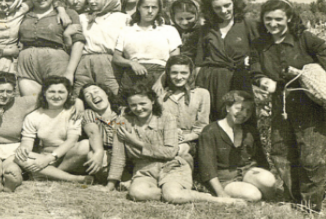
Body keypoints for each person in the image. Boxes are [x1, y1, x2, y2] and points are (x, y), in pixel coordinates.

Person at [105, 82, 240, 204]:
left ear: (152, 101)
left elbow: (170, 152)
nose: (138, 108)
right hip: (144, 169)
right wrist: (110, 185)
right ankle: (169, 193)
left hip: (172, 165)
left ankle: (214, 199)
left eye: (142, 103)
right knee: (137, 193)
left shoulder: (167, 118)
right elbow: (118, 156)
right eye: (133, 105)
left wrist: (136, 142)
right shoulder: (122, 121)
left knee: (174, 196)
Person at [251, 0, 326, 212]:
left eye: (278, 19)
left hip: (309, 106)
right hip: (280, 106)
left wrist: (309, 72)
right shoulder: (260, 44)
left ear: (289, 18)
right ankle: (294, 200)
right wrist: (263, 80)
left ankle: (311, 206)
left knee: (311, 157)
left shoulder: (306, 39)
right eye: (268, 19)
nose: (272, 24)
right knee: (281, 152)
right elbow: (255, 70)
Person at [195, 0, 259, 122]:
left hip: (239, 80)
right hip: (211, 82)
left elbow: (261, 50)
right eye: (217, 8)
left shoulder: (248, 24)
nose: (223, 11)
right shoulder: (206, 29)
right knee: (214, 123)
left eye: (227, 5)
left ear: (234, 3)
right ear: (211, 9)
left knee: (241, 120)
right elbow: (199, 62)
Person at [198, 91, 275, 202]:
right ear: (228, 108)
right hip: (225, 178)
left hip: (247, 172)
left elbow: (261, 159)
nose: (244, 114)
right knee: (253, 195)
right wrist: (221, 194)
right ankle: (253, 195)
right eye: (239, 108)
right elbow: (207, 168)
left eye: (248, 111)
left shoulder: (249, 131)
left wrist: (263, 176)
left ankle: (272, 201)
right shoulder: (210, 131)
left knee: (268, 180)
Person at [15, 76, 92, 184]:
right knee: (19, 157)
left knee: (85, 145)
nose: (56, 96)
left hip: (68, 155)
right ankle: (72, 178)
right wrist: (24, 149)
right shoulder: (33, 116)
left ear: (68, 94)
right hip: (44, 155)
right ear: (44, 93)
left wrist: (49, 159)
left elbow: (72, 141)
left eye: (61, 92)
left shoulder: (73, 112)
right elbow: (27, 142)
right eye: (52, 92)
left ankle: (49, 173)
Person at [17, 0, 85, 96]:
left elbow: (78, 44)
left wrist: (69, 72)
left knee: (57, 101)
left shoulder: (68, 13)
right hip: (26, 66)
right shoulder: (24, 14)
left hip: (56, 63)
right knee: (32, 103)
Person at [112, 0, 181, 101]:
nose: (150, 11)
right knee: (129, 109)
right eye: (146, 7)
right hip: (132, 75)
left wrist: (161, 80)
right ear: (138, 7)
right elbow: (116, 58)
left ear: (159, 9)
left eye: (154, 7)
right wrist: (131, 63)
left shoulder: (169, 30)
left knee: (161, 108)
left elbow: (175, 60)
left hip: (161, 74)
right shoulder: (126, 30)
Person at [73, 0, 128, 98]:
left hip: (109, 64)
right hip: (84, 62)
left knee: (112, 96)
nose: (92, 1)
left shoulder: (122, 18)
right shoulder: (82, 18)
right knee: (80, 95)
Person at [156, 55, 210, 163]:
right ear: (168, 74)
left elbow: (202, 127)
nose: (178, 77)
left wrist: (183, 138)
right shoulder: (160, 96)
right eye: (174, 73)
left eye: (184, 73)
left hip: (191, 141)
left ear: (190, 73)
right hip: (165, 139)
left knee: (179, 151)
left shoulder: (201, 94)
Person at [79, 83, 120, 178]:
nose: (93, 95)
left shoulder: (122, 111)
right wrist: (99, 152)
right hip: (106, 151)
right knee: (92, 155)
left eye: (96, 91)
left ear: (107, 94)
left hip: (124, 152)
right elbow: (93, 133)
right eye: (88, 95)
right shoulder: (89, 113)